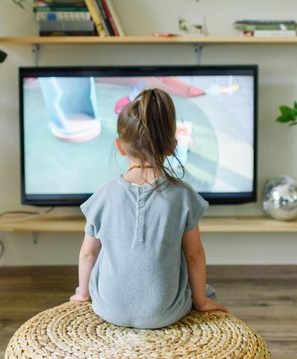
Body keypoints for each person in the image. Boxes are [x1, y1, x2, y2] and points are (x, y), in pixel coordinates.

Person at [70, 88, 227, 329]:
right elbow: (194, 254)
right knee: (201, 285)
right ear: (172, 146)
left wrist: (82, 295)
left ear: (120, 146)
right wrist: (202, 301)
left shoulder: (102, 196)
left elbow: (88, 253)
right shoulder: (183, 196)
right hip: (164, 313)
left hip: (108, 308)